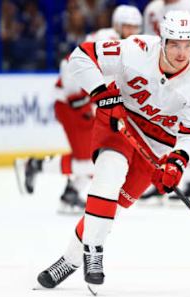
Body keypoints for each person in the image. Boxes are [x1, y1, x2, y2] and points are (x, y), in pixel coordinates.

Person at [36, 11, 190, 295]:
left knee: (113, 208)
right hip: (119, 123)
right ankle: (94, 250)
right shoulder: (137, 49)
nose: (182, 53)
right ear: (162, 40)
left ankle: (69, 260)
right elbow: (81, 57)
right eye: (174, 44)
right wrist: (101, 92)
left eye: (188, 45)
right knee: (109, 175)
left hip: (156, 146)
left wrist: (178, 161)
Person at [14, 5, 142, 213]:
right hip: (71, 104)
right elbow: (70, 62)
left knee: (97, 156)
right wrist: (75, 97)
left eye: (136, 27)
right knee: (90, 162)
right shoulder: (105, 39)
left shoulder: (133, 46)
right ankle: (34, 165)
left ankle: (70, 193)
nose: (132, 32)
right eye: (128, 26)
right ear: (118, 25)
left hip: (89, 106)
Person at [141, 0, 190, 203]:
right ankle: (163, 179)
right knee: (159, 128)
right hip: (157, 78)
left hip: (188, 77)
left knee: (184, 129)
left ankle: (188, 182)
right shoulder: (152, 10)